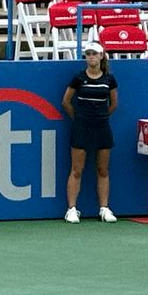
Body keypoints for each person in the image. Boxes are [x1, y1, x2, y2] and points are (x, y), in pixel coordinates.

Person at [61, 41, 117, 224]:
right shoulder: (78, 78)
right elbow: (66, 102)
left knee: (103, 169)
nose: (91, 57)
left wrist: (100, 117)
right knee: (77, 170)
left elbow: (113, 104)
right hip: (81, 127)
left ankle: (104, 209)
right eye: (88, 54)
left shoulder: (109, 79)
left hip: (102, 126)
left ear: (101, 56)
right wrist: (79, 119)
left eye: (94, 53)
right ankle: (71, 210)